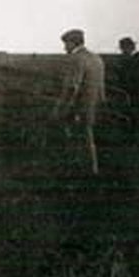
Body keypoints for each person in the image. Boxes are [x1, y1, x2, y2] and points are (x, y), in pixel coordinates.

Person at [50, 29, 106, 173]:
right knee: (89, 140)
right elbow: (101, 88)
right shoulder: (97, 59)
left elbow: (72, 87)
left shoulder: (76, 59)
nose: (64, 48)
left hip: (78, 109)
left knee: (75, 141)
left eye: (66, 44)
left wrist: (61, 109)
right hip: (93, 107)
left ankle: (79, 172)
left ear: (73, 43)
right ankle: (92, 170)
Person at [114, 36, 139, 145]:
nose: (122, 51)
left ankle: (137, 141)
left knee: (137, 118)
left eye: (123, 48)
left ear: (129, 47)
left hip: (137, 94)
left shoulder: (138, 60)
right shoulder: (133, 59)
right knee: (133, 117)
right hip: (133, 94)